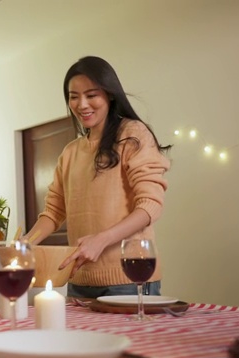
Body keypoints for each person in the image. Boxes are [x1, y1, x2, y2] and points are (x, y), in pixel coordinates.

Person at [21, 56, 171, 299]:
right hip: (78, 279)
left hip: (129, 278)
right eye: (73, 96)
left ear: (110, 94)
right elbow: (53, 212)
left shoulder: (133, 134)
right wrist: (26, 242)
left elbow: (150, 206)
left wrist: (101, 240)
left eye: (91, 95)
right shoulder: (70, 152)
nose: (82, 104)